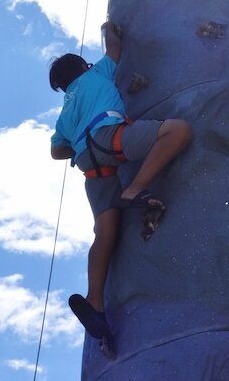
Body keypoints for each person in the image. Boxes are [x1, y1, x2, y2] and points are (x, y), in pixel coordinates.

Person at [49, 21, 191, 337]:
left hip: (87, 161)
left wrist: (75, 143)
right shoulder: (94, 74)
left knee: (105, 231)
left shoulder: (64, 111)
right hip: (109, 136)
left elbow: (57, 151)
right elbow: (115, 49)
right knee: (177, 130)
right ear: (83, 66)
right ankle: (136, 188)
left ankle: (95, 303)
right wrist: (108, 29)